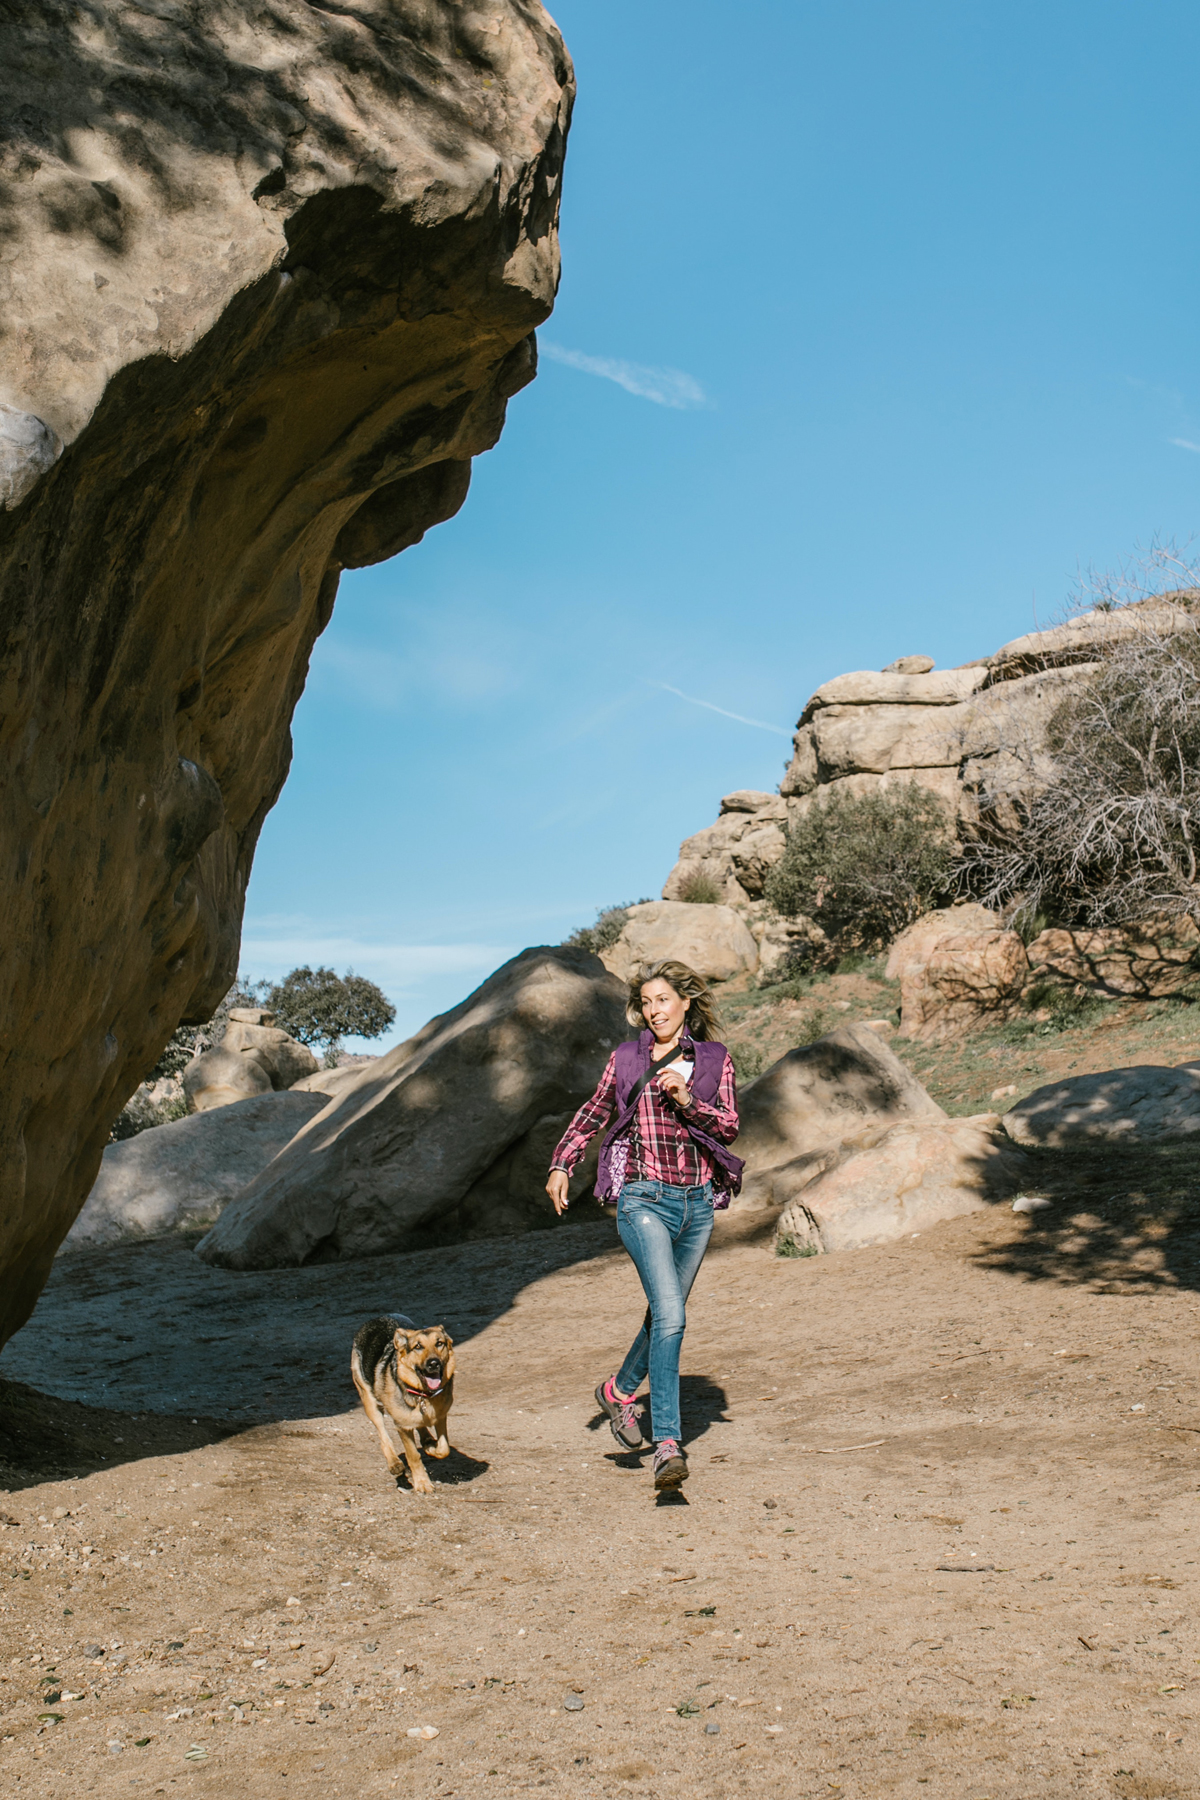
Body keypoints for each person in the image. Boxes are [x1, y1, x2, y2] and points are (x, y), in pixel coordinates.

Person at [546, 959, 742, 1492]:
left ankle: (618, 1391)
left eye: (663, 1000)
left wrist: (688, 1099)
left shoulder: (713, 1060)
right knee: (674, 1315)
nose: (654, 1010)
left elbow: (728, 1125)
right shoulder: (628, 1059)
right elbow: (593, 1110)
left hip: (698, 1204)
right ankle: (668, 1446)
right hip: (642, 1200)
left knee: (664, 1312)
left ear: (685, 1003)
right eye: (647, 1002)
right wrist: (563, 1162)